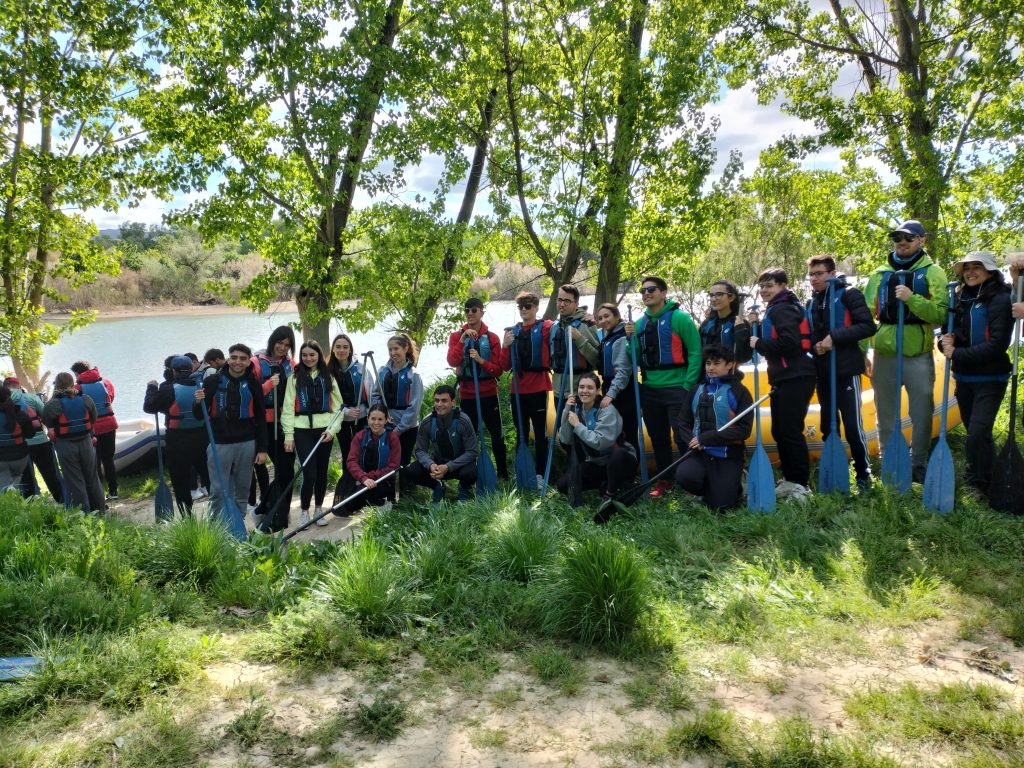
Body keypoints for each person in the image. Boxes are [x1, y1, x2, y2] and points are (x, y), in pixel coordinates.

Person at [862, 220, 947, 483]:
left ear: (921, 240)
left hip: (917, 355)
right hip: (885, 354)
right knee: (885, 412)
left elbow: (941, 314)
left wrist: (912, 298)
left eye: (908, 238)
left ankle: (918, 463)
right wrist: (862, 350)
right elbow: (865, 315)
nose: (902, 242)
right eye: (897, 238)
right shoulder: (878, 274)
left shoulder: (933, 272)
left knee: (921, 411)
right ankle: (890, 462)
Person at [939, 252, 1012, 495]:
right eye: (966, 268)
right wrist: (945, 343)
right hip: (964, 379)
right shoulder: (960, 298)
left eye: (976, 267)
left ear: (990, 270)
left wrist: (955, 354)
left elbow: (997, 345)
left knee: (976, 434)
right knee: (977, 434)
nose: (970, 272)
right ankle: (989, 479)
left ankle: (975, 483)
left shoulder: (1000, 298)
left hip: (991, 379)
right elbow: (949, 336)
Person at [625, 275, 702, 498]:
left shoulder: (680, 319)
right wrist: (630, 341)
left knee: (682, 435)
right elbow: (635, 357)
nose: (647, 293)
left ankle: (691, 479)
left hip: (678, 387)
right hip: (651, 389)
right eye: (643, 291)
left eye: (652, 289)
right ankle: (665, 479)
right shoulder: (639, 324)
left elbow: (696, 352)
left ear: (663, 293)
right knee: (658, 438)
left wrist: (688, 384)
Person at [806, 255, 877, 490]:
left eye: (819, 274)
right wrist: (816, 345)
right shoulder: (812, 301)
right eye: (811, 274)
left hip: (845, 370)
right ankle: (833, 470)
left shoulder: (849, 294)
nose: (814, 278)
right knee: (828, 422)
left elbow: (867, 326)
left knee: (852, 425)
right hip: (823, 371)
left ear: (832, 273)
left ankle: (863, 474)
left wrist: (834, 338)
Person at [748, 267, 816, 500]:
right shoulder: (778, 308)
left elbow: (790, 343)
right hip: (784, 377)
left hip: (796, 376)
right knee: (780, 429)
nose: (764, 290)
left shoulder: (784, 308)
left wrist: (759, 344)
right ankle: (789, 479)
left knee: (790, 430)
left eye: (769, 285)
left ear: (782, 286)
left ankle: (800, 484)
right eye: (761, 286)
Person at [193, 344, 268, 523]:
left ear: (249, 361)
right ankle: (217, 528)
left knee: (242, 489)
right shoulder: (213, 381)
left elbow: (261, 418)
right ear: (228, 358)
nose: (238, 362)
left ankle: (237, 525)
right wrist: (197, 402)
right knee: (219, 490)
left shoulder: (253, 384)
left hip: (247, 442)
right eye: (234, 357)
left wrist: (262, 448)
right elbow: (198, 415)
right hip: (219, 442)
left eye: (243, 359)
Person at [674, 345, 754, 511]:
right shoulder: (697, 389)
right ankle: (710, 489)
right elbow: (682, 421)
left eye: (716, 363)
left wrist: (706, 438)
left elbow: (744, 430)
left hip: (727, 454)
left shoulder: (740, 392)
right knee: (684, 476)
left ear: (730, 365)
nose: (711, 367)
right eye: (708, 363)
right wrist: (693, 441)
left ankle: (735, 485)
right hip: (700, 453)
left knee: (722, 506)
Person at [557, 372, 637, 515]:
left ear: (597, 390)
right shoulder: (577, 409)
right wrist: (566, 411)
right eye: (581, 387)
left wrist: (578, 426)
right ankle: (604, 483)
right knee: (563, 485)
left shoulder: (606, 409)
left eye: (590, 387)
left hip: (621, 460)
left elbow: (600, 442)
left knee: (617, 455)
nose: (585, 391)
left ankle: (609, 494)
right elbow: (565, 439)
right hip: (597, 462)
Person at [281, 340, 342, 526]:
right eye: (305, 355)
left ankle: (319, 510)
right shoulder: (294, 378)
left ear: (319, 355)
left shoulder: (329, 377)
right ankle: (305, 511)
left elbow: (339, 408)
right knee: (310, 474)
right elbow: (288, 408)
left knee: (322, 473)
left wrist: (332, 430)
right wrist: (289, 436)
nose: (308, 358)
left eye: (312, 355)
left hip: (324, 430)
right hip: (302, 431)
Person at [447, 297, 508, 480]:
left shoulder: (492, 338)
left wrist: (481, 361)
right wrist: (461, 341)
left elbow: (498, 369)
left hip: (488, 394)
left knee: (497, 435)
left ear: (482, 312)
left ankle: (503, 473)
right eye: (467, 311)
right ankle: (470, 475)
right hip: (467, 395)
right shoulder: (457, 336)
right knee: (469, 437)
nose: (470, 314)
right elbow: (452, 361)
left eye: (474, 310)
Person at [144, 356, 211, 515]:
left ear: (173, 371)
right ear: (191, 368)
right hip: (203, 439)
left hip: (177, 441)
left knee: (180, 482)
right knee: (209, 478)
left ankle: (187, 518)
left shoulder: (168, 389)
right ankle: (218, 511)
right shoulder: (201, 384)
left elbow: (149, 406)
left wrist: (151, 388)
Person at [501, 292, 553, 489]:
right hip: (517, 392)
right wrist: (505, 346)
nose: (524, 310)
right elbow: (505, 366)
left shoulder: (546, 328)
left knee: (540, 434)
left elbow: (562, 329)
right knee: (520, 432)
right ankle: (522, 471)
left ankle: (540, 475)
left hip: (538, 388)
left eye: (528, 306)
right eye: (521, 307)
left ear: (536, 308)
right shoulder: (510, 332)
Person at [42, 372, 105, 512]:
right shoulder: (86, 399)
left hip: (65, 445)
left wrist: (54, 395)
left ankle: (84, 514)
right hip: (86, 442)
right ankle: (100, 511)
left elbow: (46, 420)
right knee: (92, 478)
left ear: (56, 385)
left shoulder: (53, 404)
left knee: (75, 481)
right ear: (73, 382)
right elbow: (93, 419)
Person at [250, 326, 296, 509]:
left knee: (287, 471)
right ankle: (269, 506)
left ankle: (281, 507)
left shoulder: (292, 364)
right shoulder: (255, 363)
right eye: (280, 342)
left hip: (285, 423)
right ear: (272, 341)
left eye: (287, 344)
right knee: (283, 469)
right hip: (265, 424)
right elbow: (250, 396)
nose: (283, 347)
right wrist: (269, 384)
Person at [407, 385, 478, 502]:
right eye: (437, 400)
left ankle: (464, 488)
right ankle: (438, 487)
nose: (439, 404)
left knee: (471, 473)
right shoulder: (427, 422)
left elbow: (472, 452)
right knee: (411, 471)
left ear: (453, 402)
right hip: (438, 464)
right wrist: (430, 464)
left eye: (444, 400)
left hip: (460, 465)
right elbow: (420, 450)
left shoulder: (463, 421)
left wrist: (448, 467)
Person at [372, 333, 424, 483]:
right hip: (386, 425)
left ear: (406, 348)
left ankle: (406, 498)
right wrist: (381, 413)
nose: (393, 352)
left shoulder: (414, 375)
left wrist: (398, 430)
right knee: (386, 462)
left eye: (396, 348)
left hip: (406, 428)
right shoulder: (382, 372)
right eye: (390, 349)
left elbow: (414, 408)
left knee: (403, 463)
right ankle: (387, 498)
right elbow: (375, 395)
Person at [3, 377, 62, 502]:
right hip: (40, 442)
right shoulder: (31, 398)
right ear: (18, 385)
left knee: (26, 481)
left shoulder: (3, 404)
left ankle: (35, 507)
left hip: (18, 448)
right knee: (51, 475)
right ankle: (63, 501)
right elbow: (46, 416)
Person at [340, 404, 402, 515]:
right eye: (373, 418)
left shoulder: (392, 437)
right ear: (367, 418)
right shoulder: (359, 436)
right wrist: (363, 478)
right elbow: (351, 461)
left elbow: (394, 465)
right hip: (363, 480)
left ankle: (383, 503)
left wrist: (368, 478)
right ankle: (370, 503)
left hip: (383, 481)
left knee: (369, 492)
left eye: (380, 419)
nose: (376, 423)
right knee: (348, 506)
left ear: (386, 420)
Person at [594, 303, 639, 456]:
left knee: (628, 434)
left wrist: (610, 394)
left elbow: (623, 372)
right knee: (617, 435)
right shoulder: (608, 337)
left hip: (623, 392)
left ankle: (631, 474)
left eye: (607, 316)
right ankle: (620, 471)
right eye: (600, 318)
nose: (603, 321)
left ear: (617, 317)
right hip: (611, 387)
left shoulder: (620, 338)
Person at [70, 360, 119, 499]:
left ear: (77, 373)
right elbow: (110, 398)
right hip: (110, 424)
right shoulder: (106, 383)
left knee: (94, 462)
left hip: (93, 428)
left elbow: (78, 407)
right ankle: (114, 491)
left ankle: (99, 494)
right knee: (108, 459)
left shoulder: (77, 388)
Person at [550, 284, 599, 417]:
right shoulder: (554, 327)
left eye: (567, 301)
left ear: (576, 303)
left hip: (580, 391)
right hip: (559, 392)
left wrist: (579, 339)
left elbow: (597, 359)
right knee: (563, 432)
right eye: (560, 300)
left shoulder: (585, 324)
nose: (562, 304)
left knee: (580, 432)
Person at [328, 333, 368, 490]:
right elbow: (328, 399)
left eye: (345, 347)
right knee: (347, 452)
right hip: (341, 418)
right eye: (338, 347)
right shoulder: (328, 372)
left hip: (362, 416)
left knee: (361, 451)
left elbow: (371, 392)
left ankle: (362, 483)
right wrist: (345, 411)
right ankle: (347, 484)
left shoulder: (360, 368)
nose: (342, 350)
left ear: (350, 350)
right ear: (332, 349)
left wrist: (370, 414)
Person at [699, 280, 752, 364]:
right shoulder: (706, 325)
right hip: (707, 374)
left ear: (731, 297)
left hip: (731, 374)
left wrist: (740, 331)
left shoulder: (741, 324)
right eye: (711, 295)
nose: (713, 299)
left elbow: (743, 357)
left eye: (719, 294)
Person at [0, 386, 39, 493]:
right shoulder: (20, 414)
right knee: (16, 487)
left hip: (1, 461)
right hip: (20, 459)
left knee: (4, 491)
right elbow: (30, 434)